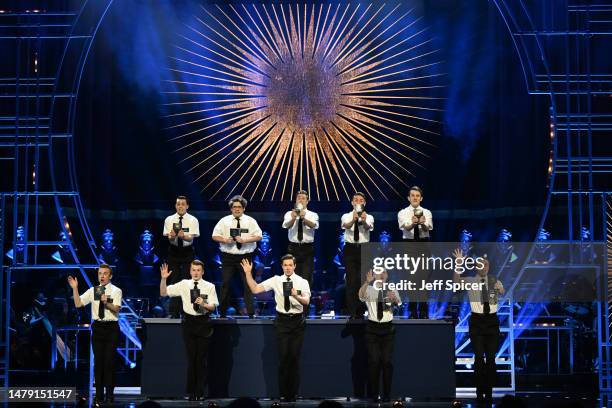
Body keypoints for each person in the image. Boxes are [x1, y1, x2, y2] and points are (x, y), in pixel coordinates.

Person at [241, 255, 311, 402]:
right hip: (282, 321)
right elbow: (255, 289)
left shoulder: (302, 282)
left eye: (290, 265)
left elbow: (306, 301)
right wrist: (248, 273)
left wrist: (295, 294)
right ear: (282, 266)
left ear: (295, 266)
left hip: (297, 322)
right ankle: (283, 394)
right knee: (284, 358)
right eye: (285, 265)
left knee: (294, 359)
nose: (287, 267)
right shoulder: (276, 280)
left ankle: (293, 394)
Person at [160, 259, 219, 401]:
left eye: (198, 270)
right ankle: (191, 393)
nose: (196, 272)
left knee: (201, 359)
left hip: (204, 323)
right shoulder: (184, 284)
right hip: (189, 323)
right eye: (193, 270)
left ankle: (200, 392)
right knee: (191, 358)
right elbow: (164, 293)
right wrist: (163, 279)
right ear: (190, 271)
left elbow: (213, 306)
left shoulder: (210, 286)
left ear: (203, 272)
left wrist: (204, 304)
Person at [453, 249, 505, 405]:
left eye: (487, 265)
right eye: (482, 265)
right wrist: (458, 263)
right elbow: (456, 282)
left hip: (492, 322)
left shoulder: (494, 279)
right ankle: (479, 392)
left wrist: (499, 288)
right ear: (477, 267)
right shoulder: (470, 281)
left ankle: (488, 391)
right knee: (478, 359)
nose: (485, 267)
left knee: (490, 359)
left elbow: (502, 292)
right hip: (477, 322)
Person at [67, 264, 122, 404]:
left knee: (109, 361)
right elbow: (78, 304)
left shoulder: (116, 290)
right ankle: (98, 395)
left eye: (105, 273)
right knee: (98, 362)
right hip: (97, 327)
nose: (102, 276)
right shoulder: (93, 290)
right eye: (100, 273)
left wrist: (106, 302)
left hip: (111, 328)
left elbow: (116, 309)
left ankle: (110, 394)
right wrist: (75, 288)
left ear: (110, 276)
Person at [212, 195, 262, 318]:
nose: (237, 209)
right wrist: (224, 239)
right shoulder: (224, 221)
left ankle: (251, 313)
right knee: (225, 284)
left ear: (244, 208)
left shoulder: (250, 221)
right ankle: (222, 313)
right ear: (231, 209)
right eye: (234, 207)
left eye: (239, 207)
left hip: (245, 257)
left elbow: (259, 236)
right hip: (228, 257)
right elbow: (214, 236)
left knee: (248, 284)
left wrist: (245, 240)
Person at [359, 269, 401, 402]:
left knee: (387, 362)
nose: (382, 275)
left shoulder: (391, 288)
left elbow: (398, 304)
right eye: (379, 272)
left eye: (385, 272)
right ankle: (374, 394)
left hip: (388, 329)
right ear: (374, 275)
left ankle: (387, 394)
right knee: (374, 362)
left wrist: (393, 299)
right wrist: (367, 282)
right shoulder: (369, 289)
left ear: (387, 275)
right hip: (372, 329)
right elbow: (360, 296)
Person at [397, 186, 433, 318]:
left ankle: (423, 311)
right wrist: (412, 223)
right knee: (412, 279)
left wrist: (422, 224)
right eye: (412, 195)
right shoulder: (403, 212)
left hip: (423, 244)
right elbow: (405, 227)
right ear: (408, 198)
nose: (415, 198)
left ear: (421, 198)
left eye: (417, 195)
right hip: (409, 245)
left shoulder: (427, 212)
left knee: (423, 279)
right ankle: (412, 311)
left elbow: (428, 227)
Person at [163, 195, 200, 318]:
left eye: (183, 204)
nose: (180, 206)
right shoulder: (169, 219)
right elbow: (169, 237)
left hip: (187, 252)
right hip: (173, 251)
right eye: (178, 204)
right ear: (175, 205)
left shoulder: (193, 220)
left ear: (187, 206)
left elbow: (191, 238)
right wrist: (173, 236)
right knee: (174, 280)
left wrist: (183, 236)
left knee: (187, 281)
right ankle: (173, 312)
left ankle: (186, 311)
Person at [341, 192, 374, 318]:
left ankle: (361, 311)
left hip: (365, 249)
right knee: (351, 281)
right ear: (352, 203)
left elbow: (368, 227)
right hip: (350, 249)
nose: (358, 202)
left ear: (364, 203)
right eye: (356, 200)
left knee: (364, 281)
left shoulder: (369, 216)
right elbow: (346, 226)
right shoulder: (346, 216)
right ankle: (353, 312)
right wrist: (354, 219)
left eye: (361, 200)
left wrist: (364, 220)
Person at [282, 190, 319, 287]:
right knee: (291, 277)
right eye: (299, 198)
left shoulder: (312, 214)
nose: (301, 200)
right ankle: (291, 301)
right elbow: (286, 226)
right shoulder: (289, 213)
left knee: (306, 278)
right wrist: (294, 218)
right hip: (292, 248)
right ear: (295, 200)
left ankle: (304, 301)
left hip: (307, 249)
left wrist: (303, 218)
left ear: (307, 201)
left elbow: (314, 225)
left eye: (303, 198)